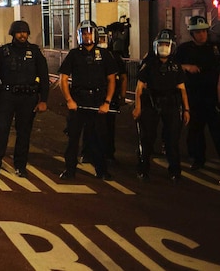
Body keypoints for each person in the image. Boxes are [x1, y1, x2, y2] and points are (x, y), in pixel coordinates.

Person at [0, 21, 49, 179]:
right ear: (13, 33)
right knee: (1, 131)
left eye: (25, 32)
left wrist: (43, 100)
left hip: (28, 98)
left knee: (24, 133)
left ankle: (20, 166)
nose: (23, 35)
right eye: (19, 32)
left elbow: (45, 77)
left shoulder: (34, 52)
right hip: (7, 96)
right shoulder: (3, 51)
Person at [58, 20, 117, 180]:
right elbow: (63, 78)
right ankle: (70, 170)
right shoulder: (74, 54)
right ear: (79, 35)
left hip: (98, 102)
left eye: (90, 32)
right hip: (78, 101)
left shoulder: (105, 55)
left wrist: (107, 102)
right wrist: (69, 99)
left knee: (98, 138)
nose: (87, 35)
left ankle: (101, 170)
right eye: (84, 33)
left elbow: (112, 79)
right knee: (73, 138)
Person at [134, 29, 191, 183]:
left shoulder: (176, 66)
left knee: (172, 139)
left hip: (171, 105)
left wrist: (186, 109)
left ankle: (174, 171)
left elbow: (182, 89)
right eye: (161, 44)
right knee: (147, 138)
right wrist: (138, 107)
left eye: (166, 44)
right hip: (151, 104)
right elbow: (139, 88)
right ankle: (143, 169)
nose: (163, 47)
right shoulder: (149, 64)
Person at [173, 15, 220, 170]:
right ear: (192, 34)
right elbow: (172, 66)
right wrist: (186, 67)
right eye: (198, 32)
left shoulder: (215, 48)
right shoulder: (184, 49)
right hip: (194, 97)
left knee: (217, 130)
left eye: (204, 31)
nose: (202, 35)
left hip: (213, 96)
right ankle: (198, 159)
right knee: (196, 130)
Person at [95, 25, 128, 161]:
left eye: (104, 38)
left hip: (111, 97)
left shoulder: (114, 57)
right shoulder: (88, 55)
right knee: (91, 127)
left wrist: (123, 95)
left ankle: (109, 153)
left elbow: (123, 77)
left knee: (109, 127)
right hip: (93, 97)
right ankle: (92, 152)